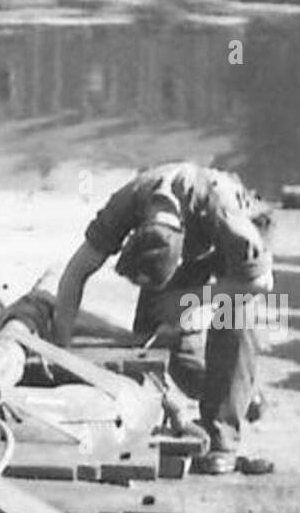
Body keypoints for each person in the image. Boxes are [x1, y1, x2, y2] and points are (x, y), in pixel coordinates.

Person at [52, 161, 275, 475]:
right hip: (189, 238)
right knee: (158, 339)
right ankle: (238, 394)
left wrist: (193, 303)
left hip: (237, 251)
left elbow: (262, 283)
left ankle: (222, 439)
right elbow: (76, 272)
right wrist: (59, 347)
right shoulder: (128, 203)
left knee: (235, 316)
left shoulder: (224, 212)